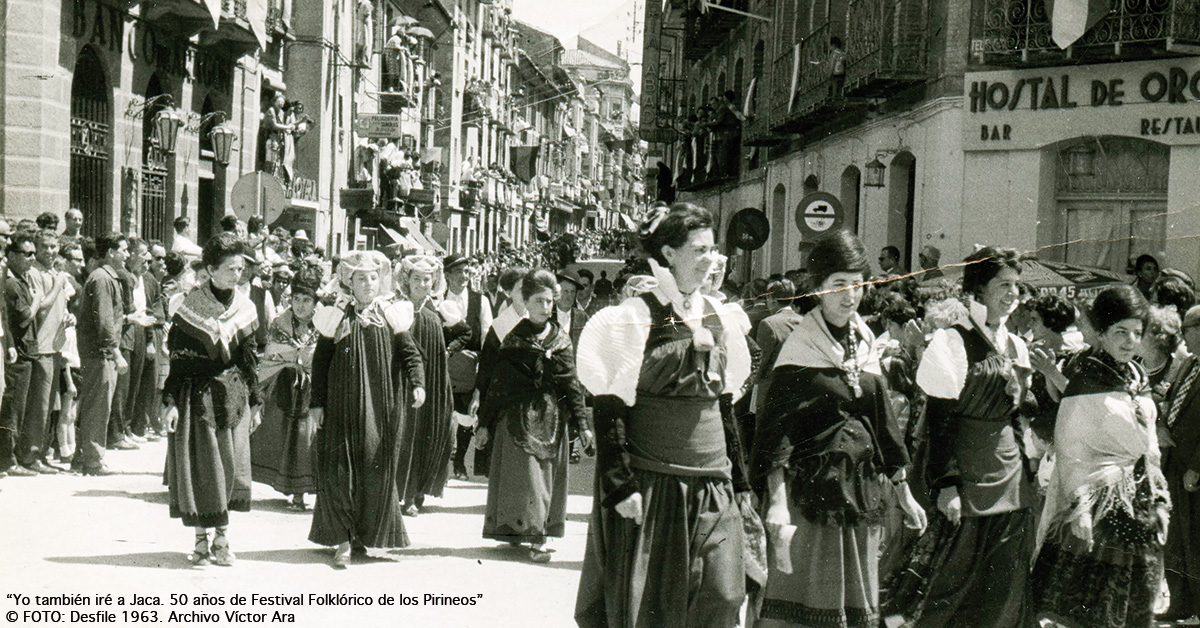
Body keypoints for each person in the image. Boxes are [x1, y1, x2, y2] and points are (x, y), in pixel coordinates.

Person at [574, 202, 752, 628]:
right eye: (699, 250)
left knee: (724, 594)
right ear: (669, 254)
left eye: (713, 250)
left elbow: (724, 403)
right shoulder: (635, 316)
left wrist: (740, 481)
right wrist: (619, 485)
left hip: (712, 480)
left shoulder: (720, 315)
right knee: (653, 605)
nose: (710, 260)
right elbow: (610, 405)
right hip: (654, 484)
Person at [753, 230, 925, 628]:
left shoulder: (865, 345)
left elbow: (884, 429)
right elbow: (775, 436)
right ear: (817, 288)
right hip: (810, 501)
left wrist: (904, 494)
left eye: (858, 284)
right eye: (839, 285)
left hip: (861, 497)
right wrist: (777, 503)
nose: (850, 295)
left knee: (855, 607)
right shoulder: (798, 351)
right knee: (805, 609)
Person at [885, 246, 1036, 627]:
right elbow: (939, 420)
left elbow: (1020, 414)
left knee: (1004, 582)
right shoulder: (951, 341)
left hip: (1012, 477)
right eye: (1003, 284)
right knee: (951, 585)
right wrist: (948, 484)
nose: (1012, 293)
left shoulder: (1015, 345)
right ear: (979, 288)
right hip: (967, 478)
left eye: (1016, 285)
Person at [1031, 285, 1169, 627]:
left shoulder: (1136, 376)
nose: (1129, 342)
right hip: (1098, 508)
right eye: (1120, 332)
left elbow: (1150, 443)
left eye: (1137, 333)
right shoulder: (1087, 379)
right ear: (1102, 332)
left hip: (1140, 505)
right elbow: (1072, 449)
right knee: (1096, 608)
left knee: (1137, 604)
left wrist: (1161, 499)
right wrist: (1080, 509)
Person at [308, 250, 426, 568]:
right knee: (341, 472)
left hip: (379, 410)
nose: (369, 283)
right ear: (349, 282)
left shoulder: (392, 315)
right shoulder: (336, 317)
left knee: (374, 470)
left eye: (374, 277)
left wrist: (418, 383)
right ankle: (343, 541)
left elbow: (410, 354)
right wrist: (317, 403)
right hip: (341, 409)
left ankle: (365, 535)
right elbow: (320, 362)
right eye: (361, 278)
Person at [475, 269, 593, 562]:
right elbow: (498, 385)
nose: (545, 307)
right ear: (526, 303)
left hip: (552, 420)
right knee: (526, 478)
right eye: (539, 301)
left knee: (544, 478)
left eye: (550, 301)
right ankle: (524, 532)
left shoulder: (561, 339)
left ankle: (539, 536)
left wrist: (582, 425)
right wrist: (485, 425)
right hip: (516, 419)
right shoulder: (514, 339)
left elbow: (571, 385)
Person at [162, 232, 262, 566]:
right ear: (211, 269)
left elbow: (250, 358)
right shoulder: (191, 306)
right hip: (197, 398)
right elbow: (177, 360)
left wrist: (256, 400)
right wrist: (170, 402)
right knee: (203, 469)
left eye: (241, 268)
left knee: (228, 469)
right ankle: (201, 542)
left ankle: (222, 539)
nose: (239, 274)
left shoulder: (245, 307)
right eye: (231, 269)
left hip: (232, 398)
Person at [251, 269, 321, 510]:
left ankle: (303, 492)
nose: (300, 306)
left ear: (315, 303)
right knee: (287, 437)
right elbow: (272, 356)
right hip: (285, 387)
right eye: (296, 299)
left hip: (313, 390)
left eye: (307, 300)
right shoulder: (280, 323)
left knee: (306, 438)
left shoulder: (325, 324)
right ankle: (290, 488)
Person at [394, 256, 454, 516]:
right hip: (400, 385)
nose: (421, 284)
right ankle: (396, 491)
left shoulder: (433, 318)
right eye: (416, 278)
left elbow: (440, 360)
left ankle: (414, 494)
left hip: (428, 386)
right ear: (406, 281)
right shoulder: (396, 311)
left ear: (434, 283)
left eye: (426, 279)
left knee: (422, 436)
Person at [73, 232, 129, 476]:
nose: (126, 255)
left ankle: (83, 457)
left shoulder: (105, 277)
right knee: (98, 407)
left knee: (95, 405)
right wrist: (116, 353)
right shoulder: (103, 279)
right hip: (99, 354)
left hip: (100, 352)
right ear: (110, 253)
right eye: (123, 250)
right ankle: (93, 461)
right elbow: (104, 322)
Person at [1160, 304, 1200, 622]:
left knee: (1195, 538)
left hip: (1193, 468)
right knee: (1175, 537)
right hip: (1174, 460)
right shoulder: (1189, 363)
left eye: (1186, 329)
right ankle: (1180, 603)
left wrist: (1197, 466)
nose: (1182, 337)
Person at [443, 254, 493, 481]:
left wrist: (481, 363)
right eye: (458, 272)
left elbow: (487, 337)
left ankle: (460, 460)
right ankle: (440, 463)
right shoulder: (437, 299)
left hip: (469, 368)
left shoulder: (480, 301)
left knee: (466, 415)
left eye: (466, 272)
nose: (464, 277)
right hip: (442, 366)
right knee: (442, 414)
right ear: (447, 275)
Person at [0, 232, 42, 478]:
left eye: (33, 253)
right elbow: (24, 316)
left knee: (18, 408)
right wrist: (37, 300)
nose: (32, 258)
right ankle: (7, 459)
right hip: (18, 353)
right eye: (27, 254)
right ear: (12, 255)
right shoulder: (12, 283)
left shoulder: (21, 279)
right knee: (12, 409)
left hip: (25, 350)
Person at [555, 269, 591, 349]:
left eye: (572, 292)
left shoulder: (582, 317)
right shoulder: (548, 315)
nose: (569, 296)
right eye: (565, 291)